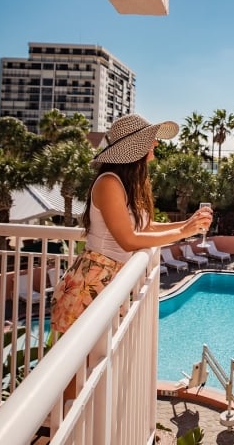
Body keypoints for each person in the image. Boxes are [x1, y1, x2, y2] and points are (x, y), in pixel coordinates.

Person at [50, 114, 212, 334]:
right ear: (136, 147)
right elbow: (128, 240)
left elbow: (145, 227)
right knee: (88, 366)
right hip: (92, 283)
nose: (155, 147)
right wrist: (184, 231)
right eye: (151, 142)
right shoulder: (109, 183)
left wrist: (188, 223)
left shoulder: (125, 184)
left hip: (108, 282)